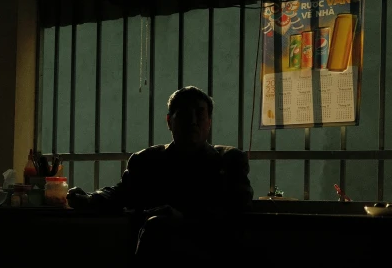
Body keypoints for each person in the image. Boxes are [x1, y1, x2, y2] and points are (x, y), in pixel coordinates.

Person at [67, 86, 253, 215]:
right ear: (169, 121)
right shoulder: (146, 161)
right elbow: (122, 193)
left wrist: (183, 217)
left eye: (200, 114)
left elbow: (236, 206)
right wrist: (91, 199)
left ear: (209, 122)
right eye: (186, 114)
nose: (194, 121)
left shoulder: (229, 162)